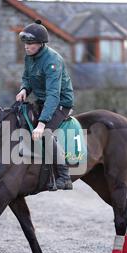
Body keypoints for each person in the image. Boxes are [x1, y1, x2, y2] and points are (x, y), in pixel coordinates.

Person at [16, 20, 74, 190]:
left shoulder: (52, 61)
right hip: (42, 100)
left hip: (60, 103)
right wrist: (24, 89)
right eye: (25, 43)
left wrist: (41, 125)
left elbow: (53, 96)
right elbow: (27, 77)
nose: (27, 47)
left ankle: (64, 176)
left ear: (41, 44)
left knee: (45, 134)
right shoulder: (29, 57)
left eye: (31, 43)